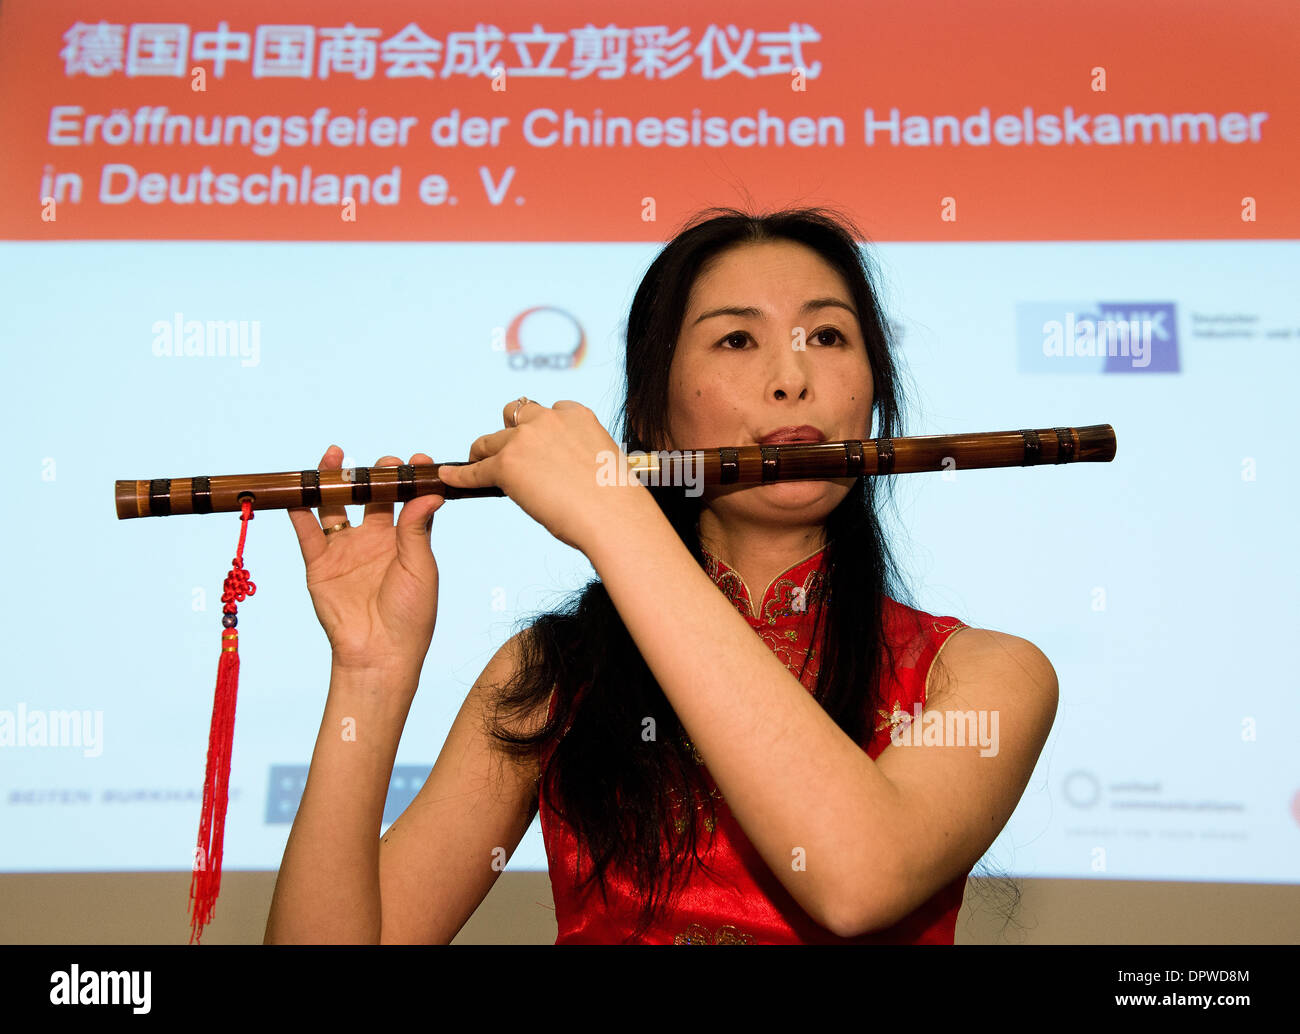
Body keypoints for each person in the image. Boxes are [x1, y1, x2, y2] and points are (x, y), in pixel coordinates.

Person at [263, 206, 1058, 945]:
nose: (792, 377)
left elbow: (857, 878)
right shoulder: (554, 675)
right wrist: (370, 672)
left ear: (874, 390)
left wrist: (615, 519)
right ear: (651, 413)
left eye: (828, 336)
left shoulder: (986, 678)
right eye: (737, 341)